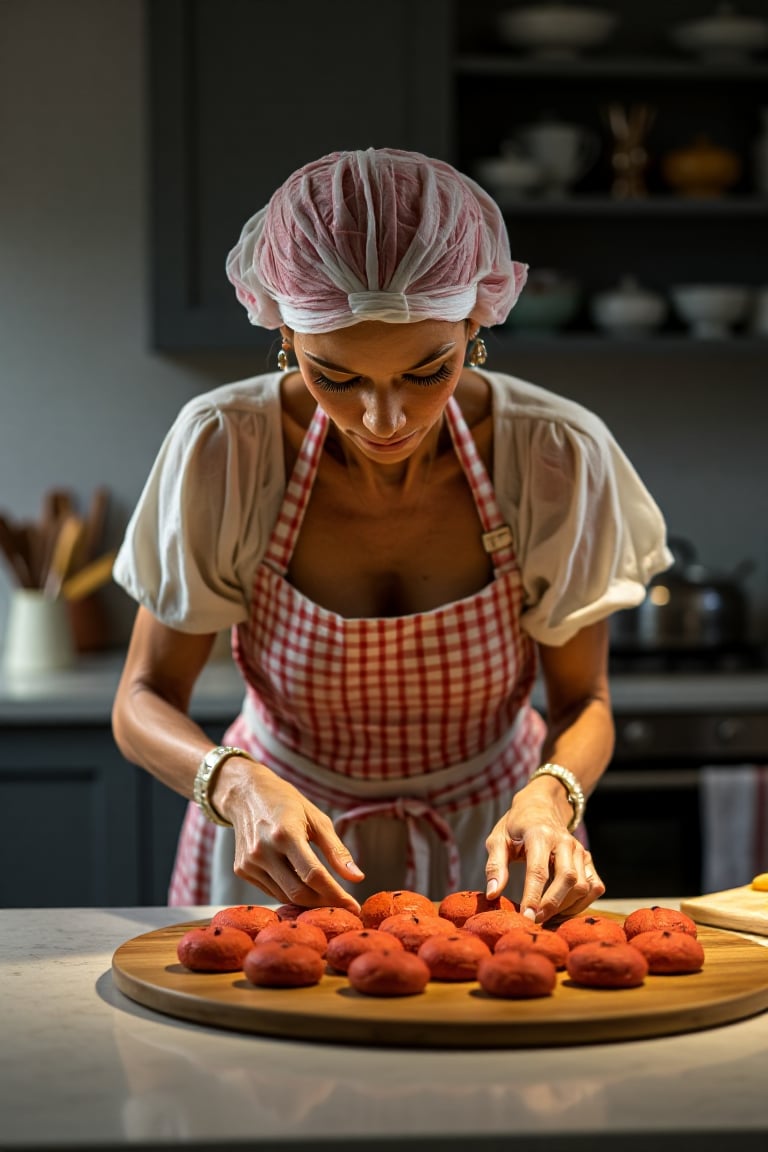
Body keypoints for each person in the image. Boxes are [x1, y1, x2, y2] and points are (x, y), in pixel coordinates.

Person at [112, 147, 671, 922]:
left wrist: (552, 797)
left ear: (478, 321)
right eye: (336, 377)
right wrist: (235, 783)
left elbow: (586, 700)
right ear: (285, 335)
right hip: (281, 849)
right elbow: (142, 698)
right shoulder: (226, 448)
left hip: (495, 848)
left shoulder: (552, 454)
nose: (385, 419)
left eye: (426, 370)